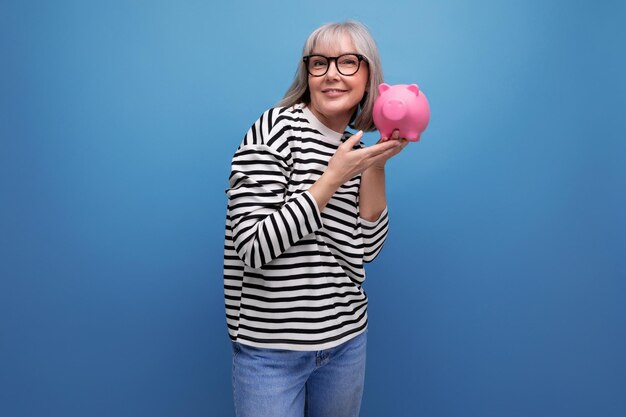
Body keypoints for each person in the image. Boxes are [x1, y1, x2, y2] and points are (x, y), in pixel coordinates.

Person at [223, 20, 408, 417]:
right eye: (319, 63)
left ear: (369, 75)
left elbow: (368, 250)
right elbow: (252, 248)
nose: (332, 75)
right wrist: (333, 178)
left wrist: (376, 162)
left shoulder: (351, 146)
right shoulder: (273, 130)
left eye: (347, 62)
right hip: (271, 351)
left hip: (345, 342)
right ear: (306, 73)